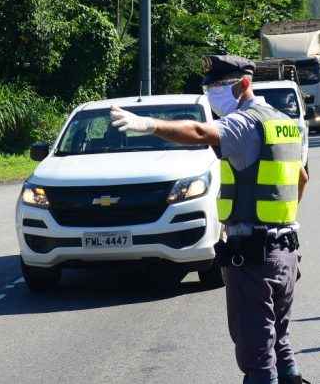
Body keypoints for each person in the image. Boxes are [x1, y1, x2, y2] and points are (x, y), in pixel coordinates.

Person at [110, 55, 310, 384]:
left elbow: (200, 130)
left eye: (219, 88)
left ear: (244, 84)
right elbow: (301, 178)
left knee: (257, 358)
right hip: (285, 253)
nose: (213, 96)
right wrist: (282, 219)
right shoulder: (282, 120)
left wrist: (150, 125)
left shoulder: (245, 123)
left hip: (254, 259)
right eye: (209, 89)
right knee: (281, 345)